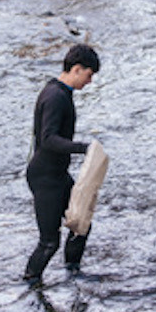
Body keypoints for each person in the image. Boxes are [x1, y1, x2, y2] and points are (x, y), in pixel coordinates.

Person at [23, 44, 100, 284]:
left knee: (81, 224)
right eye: (88, 75)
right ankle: (30, 282)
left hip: (57, 174)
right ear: (76, 69)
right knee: (49, 242)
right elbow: (48, 139)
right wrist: (84, 148)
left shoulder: (60, 92)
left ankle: (72, 273)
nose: (89, 82)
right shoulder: (55, 97)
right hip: (45, 178)